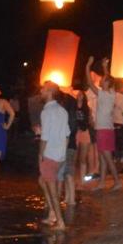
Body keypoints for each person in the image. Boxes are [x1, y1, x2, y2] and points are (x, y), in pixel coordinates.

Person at [85, 56, 121, 191]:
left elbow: (89, 82)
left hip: (103, 130)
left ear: (107, 83)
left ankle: (117, 181)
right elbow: (109, 79)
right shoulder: (111, 93)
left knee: (107, 157)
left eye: (103, 80)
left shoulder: (103, 94)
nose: (101, 80)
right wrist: (105, 67)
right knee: (102, 157)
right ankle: (101, 183)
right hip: (107, 129)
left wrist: (88, 66)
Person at [38, 82, 70, 231]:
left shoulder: (46, 112)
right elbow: (67, 134)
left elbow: (44, 137)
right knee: (42, 180)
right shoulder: (62, 111)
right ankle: (52, 213)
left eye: (43, 89)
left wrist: (41, 154)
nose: (41, 91)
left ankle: (60, 221)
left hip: (50, 153)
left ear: (50, 92)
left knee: (52, 188)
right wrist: (62, 150)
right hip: (60, 154)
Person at [57, 89, 78, 207]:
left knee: (68, 171)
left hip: (67, 145)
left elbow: (68, 133)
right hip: (70, 144)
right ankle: (69, 197)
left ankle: (71, 198)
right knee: (67, 171)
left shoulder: (65, 115)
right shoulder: (71, 114)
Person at [72, 88, 93, 184]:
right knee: (74, 157)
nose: (79, 96)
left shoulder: (87, 109)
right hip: (75, 132)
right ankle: (72, 180)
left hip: (84, 132)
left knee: (83, 158)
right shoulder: (73, 108)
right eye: (78, 94)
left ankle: (82, 180)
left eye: (81, 94)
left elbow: (90, 121)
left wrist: (91, 120)